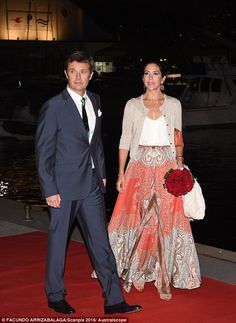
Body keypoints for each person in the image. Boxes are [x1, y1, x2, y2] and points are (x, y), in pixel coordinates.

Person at [35, 50, 141, 315]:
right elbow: (44, 151)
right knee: (59, 244)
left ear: (91, 75)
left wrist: (102, 174)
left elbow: (95, 143)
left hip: (91, 185)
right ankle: (55, 295)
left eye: (83, 71)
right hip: (63, 188)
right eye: (73, 71)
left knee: (101, 244)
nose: (78, 76)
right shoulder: (54, 106)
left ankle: (114, 300)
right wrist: (50, 189)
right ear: (66, 74)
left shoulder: (94, 100)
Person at [107, 59, 202, 300]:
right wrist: (120, 173)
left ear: (163, 78)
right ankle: (137, 270)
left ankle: (164, 278)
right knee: (139, 219)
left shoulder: (174, 104)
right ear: (142, 78)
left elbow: (178, 136)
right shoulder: (132, 105)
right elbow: (124, 140)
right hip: (138, 168)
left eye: (155, 73)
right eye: (147, 74)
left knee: (166, 221)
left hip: (166, 167)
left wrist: (180, 164)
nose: (151, 78)